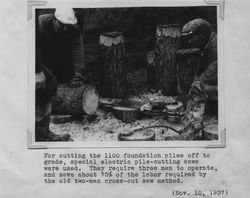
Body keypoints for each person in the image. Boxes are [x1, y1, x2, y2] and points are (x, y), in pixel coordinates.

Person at [35, 7, 86, 141]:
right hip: (34, 58)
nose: (64, 28)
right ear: (54, 19)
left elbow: (77, 49)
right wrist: (38, 71)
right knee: (47, 83)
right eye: (61, 24)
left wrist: (77, 73)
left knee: (53, 81)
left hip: (56, 56)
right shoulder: (40, 23)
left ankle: (41, 131)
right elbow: (32, 49)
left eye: (67, 26)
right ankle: (38, 130)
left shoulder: (73, 28)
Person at [167, 18, 217, 140]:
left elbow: (212, 75)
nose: (189, 41)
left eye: (192, 37)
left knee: (198, 89)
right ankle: (190, 124)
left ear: (202, 34)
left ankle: (190, 135)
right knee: (196, 85)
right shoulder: (207, 44)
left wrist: (195, 86)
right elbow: (200, 72)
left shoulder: (216, 47)